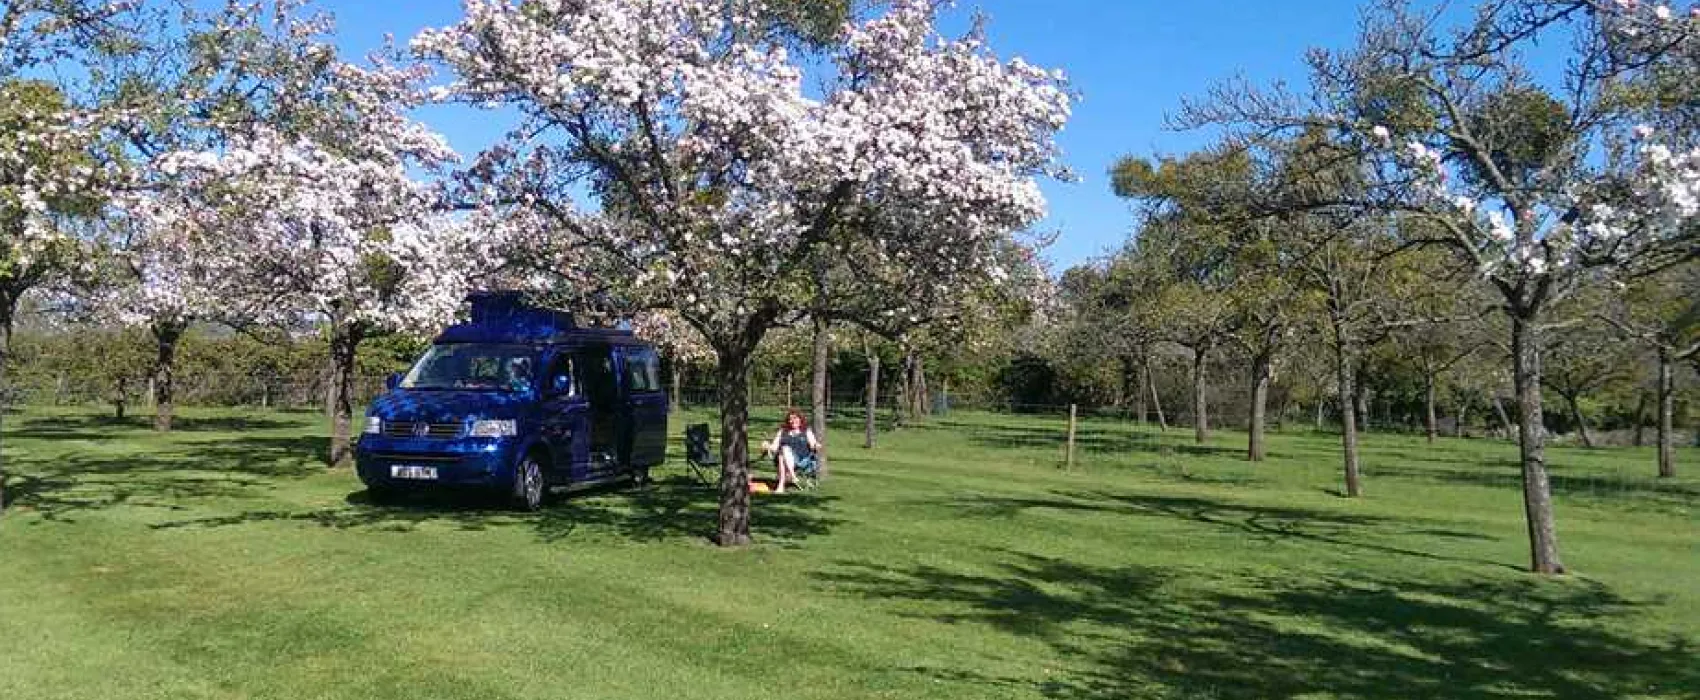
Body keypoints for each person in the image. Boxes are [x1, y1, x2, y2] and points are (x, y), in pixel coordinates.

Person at [762, 409, 821, 494]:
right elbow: (774, 447)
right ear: (788, 421)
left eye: (795, 418)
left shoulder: (806, 431)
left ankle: (782, 485)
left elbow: (813, 444)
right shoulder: (782, 431)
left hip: (801, 460)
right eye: (791, 419)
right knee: (783, 452)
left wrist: (816, 445)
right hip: (783, 459)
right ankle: (791, 476)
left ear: (800, 419)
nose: (793, 421)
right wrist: (767, 446)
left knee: (783, 452)